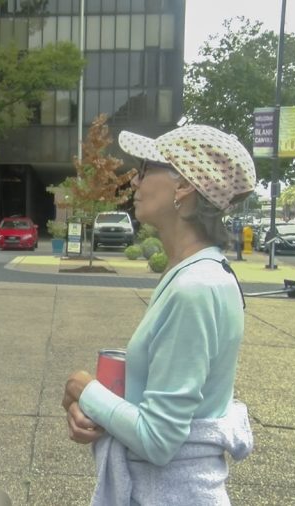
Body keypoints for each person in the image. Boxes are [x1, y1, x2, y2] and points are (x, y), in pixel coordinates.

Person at [61, 125, 256, 505]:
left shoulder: (192, 289)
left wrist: (87, 391)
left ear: (183, 186)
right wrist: (94, 403)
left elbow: (158, 439)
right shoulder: (204, 271)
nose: (134, 179)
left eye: (146, 169)